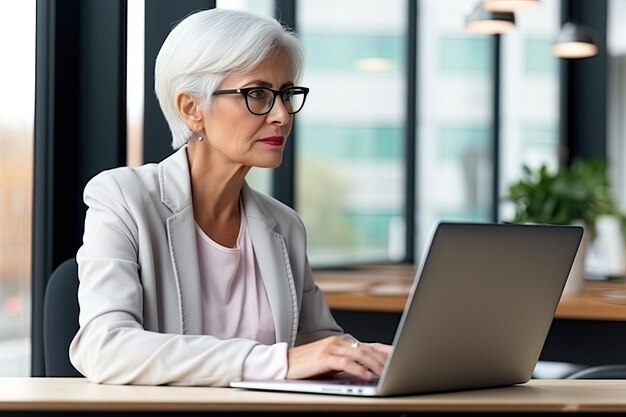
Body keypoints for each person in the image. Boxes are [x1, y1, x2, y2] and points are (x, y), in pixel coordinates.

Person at [69, 7, 391, 387]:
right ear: (192, 109)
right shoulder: (122, 199)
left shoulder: (284, 226)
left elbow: (318, 345)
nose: (283, 116)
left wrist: (379, 358)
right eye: (257, 94)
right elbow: (105, 348)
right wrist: (275, 362)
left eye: (286, 94)